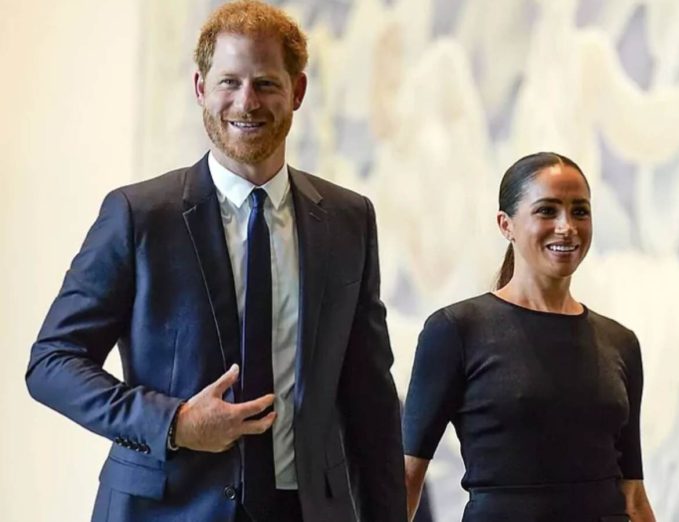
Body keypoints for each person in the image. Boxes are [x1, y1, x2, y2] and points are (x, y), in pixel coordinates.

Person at [25, 2, 406, 521]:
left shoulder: (348, 219)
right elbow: (52, 363)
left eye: (266, 84)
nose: (246, 102)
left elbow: (372, 403)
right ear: (200, 88)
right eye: (229, 82)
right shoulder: (139, 215)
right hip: (164, 509)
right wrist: (174, 423)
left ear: (297, 91)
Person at [402, 152, 656, 522]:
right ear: (506, 225)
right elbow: (408, 477)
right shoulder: (456, 330)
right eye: (547, 211)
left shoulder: (620, 342)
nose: (567, 226)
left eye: (580, 211)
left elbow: (632, 494)